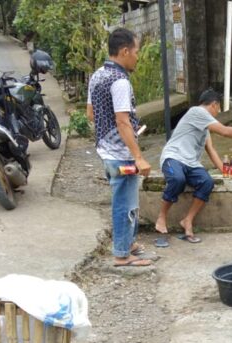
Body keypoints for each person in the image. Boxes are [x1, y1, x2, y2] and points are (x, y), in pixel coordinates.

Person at [154, 89, 232, 246]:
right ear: (214, 104)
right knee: (177, 179)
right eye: (218, 108)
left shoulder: (205, 127)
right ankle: (161, 217)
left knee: (207, 182)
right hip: (173, 157)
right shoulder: (196, 112)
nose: (217, 113)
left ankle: (187, 220)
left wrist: (226, 172)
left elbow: (211, 151)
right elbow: (225, 132)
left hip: (191, 163)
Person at [87, 28, 152, 267]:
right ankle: (122, 255)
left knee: (128, 200)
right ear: (124, 51)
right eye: (136, 51)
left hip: (106, 150)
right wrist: (138, 156)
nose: (137, 56)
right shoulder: (120, 81)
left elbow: (91, 114)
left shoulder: (98, 75)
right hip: (121, 154)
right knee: (124, 205)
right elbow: (123, 120)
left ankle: (129, 243)